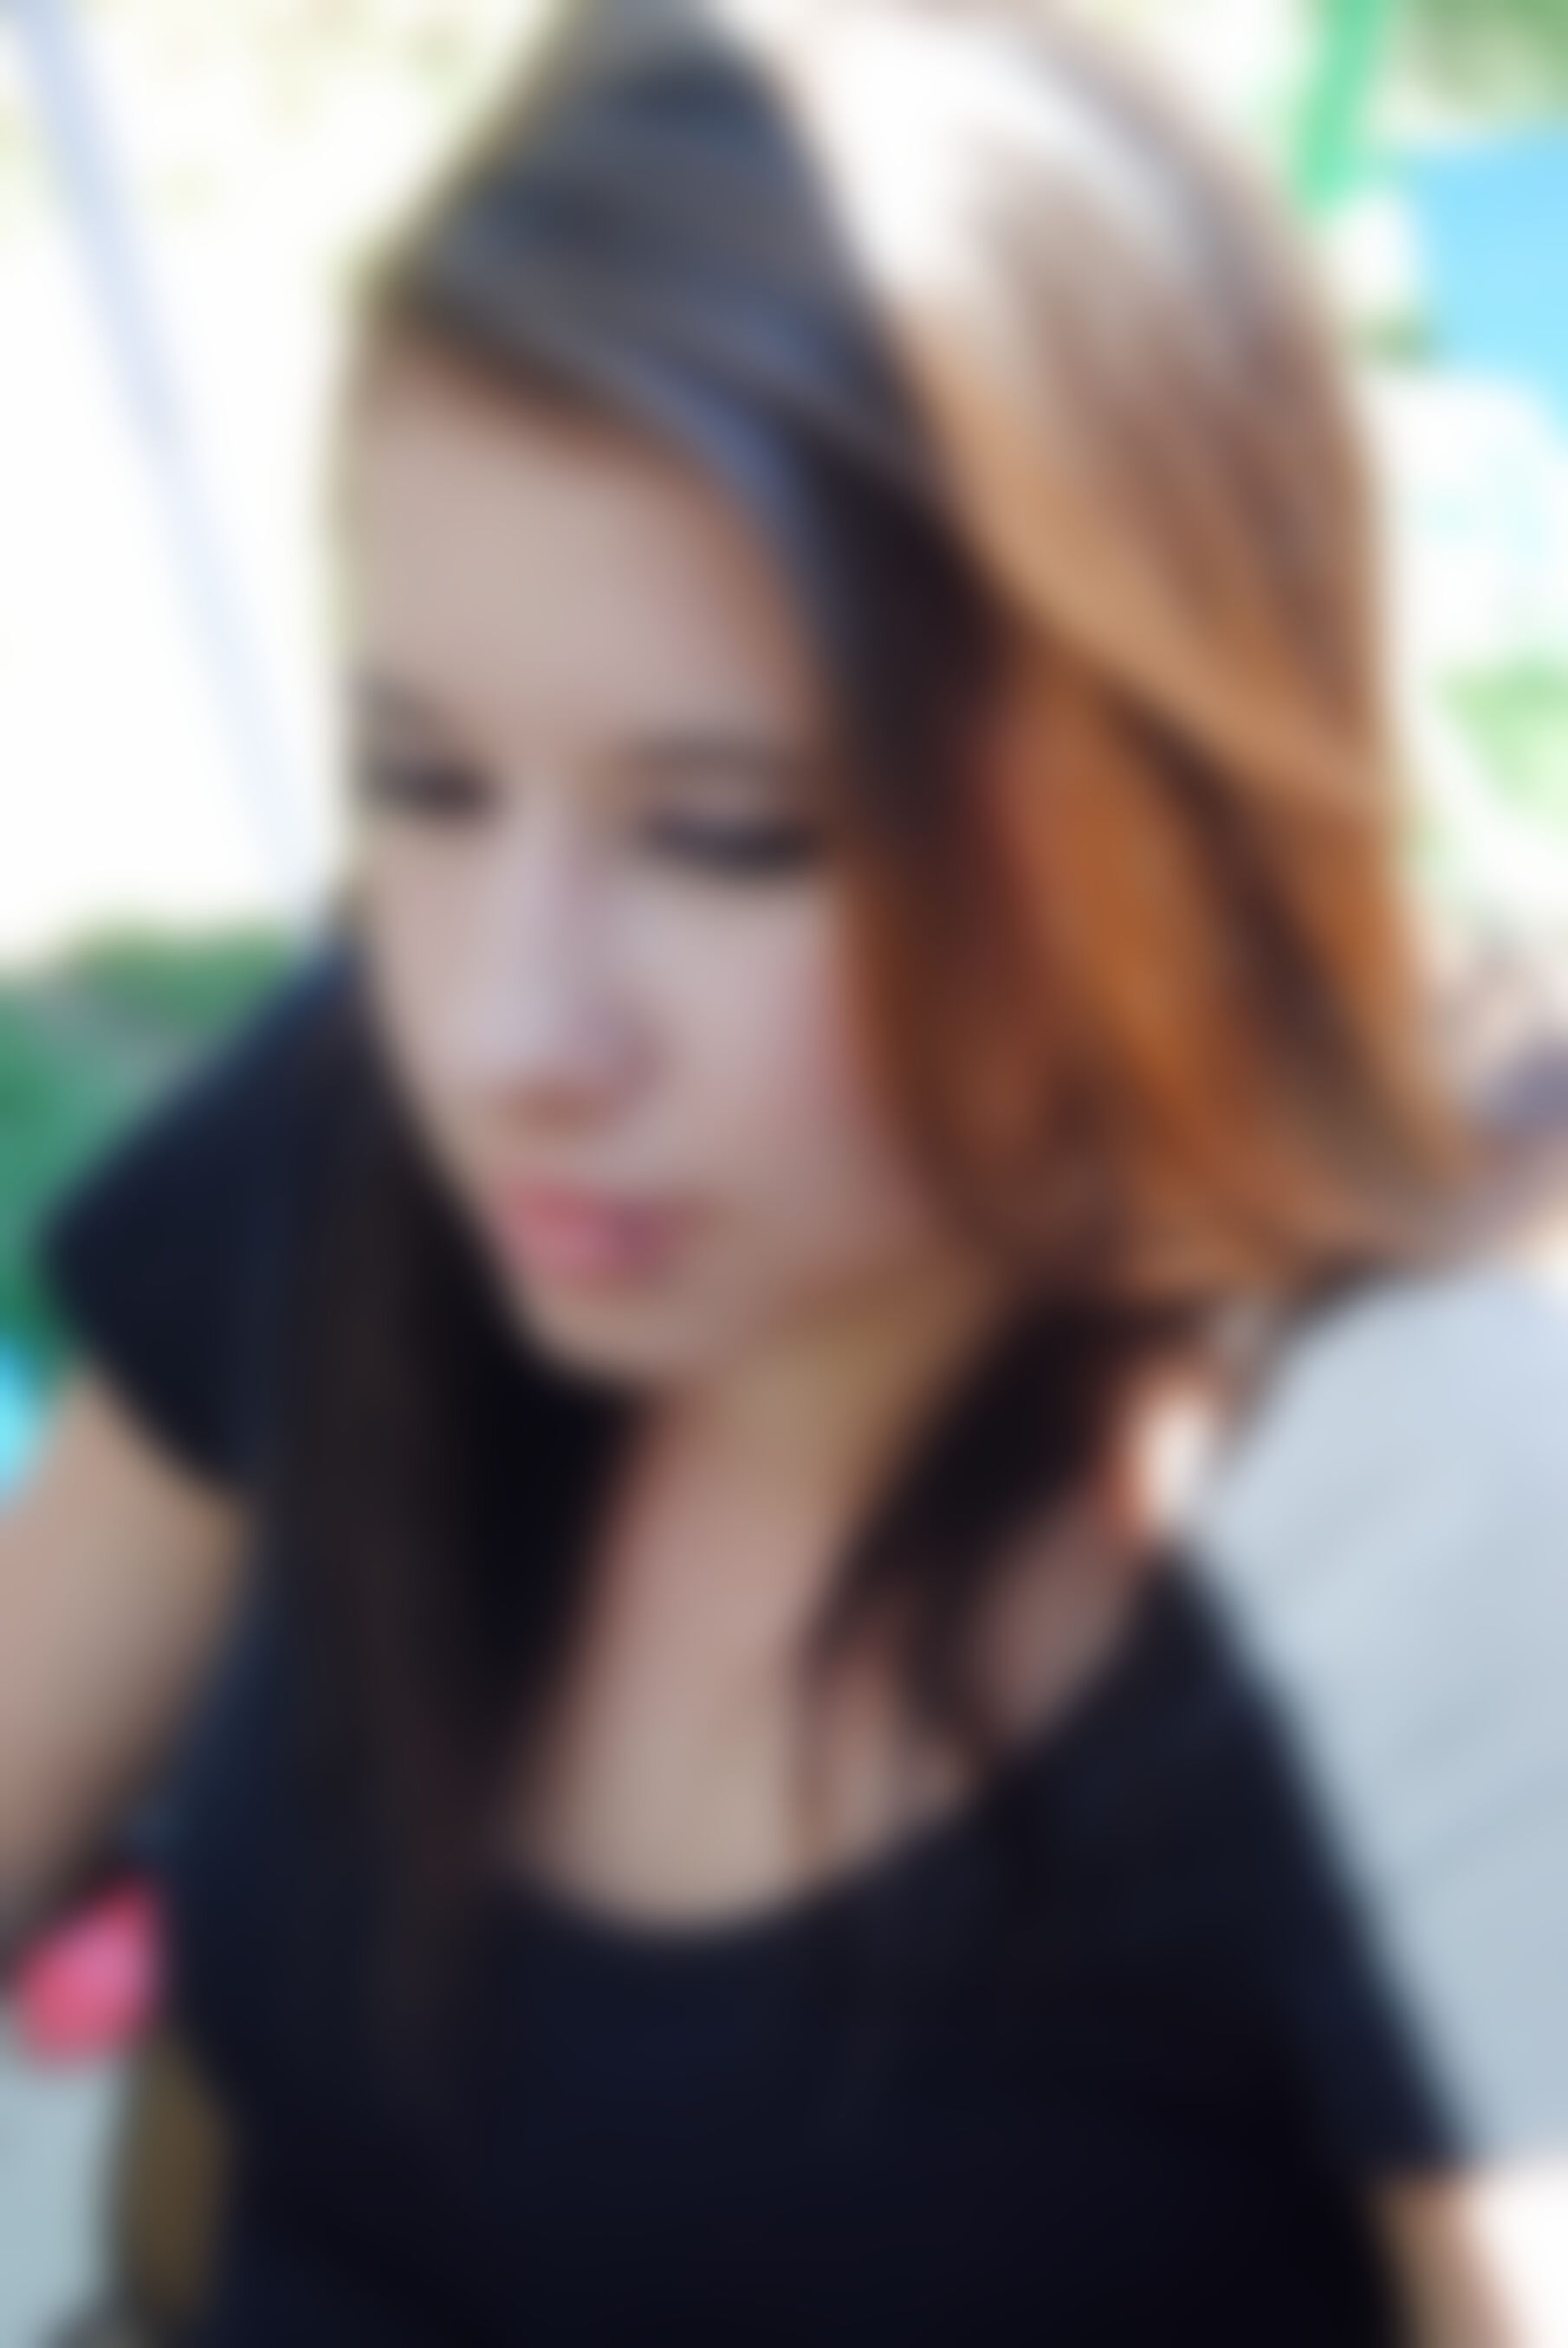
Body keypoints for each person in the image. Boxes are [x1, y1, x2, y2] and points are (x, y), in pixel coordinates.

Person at [3, 2, 1568, 2339]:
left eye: (723, 836)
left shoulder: (1426, 1539)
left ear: (1148, 819)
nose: (506, 1033)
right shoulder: (362, 1136)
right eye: (427, 785)